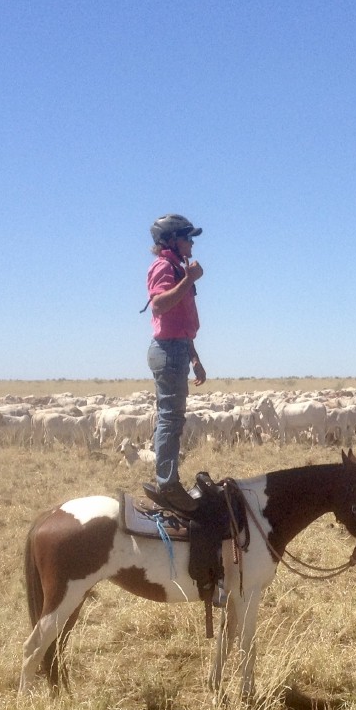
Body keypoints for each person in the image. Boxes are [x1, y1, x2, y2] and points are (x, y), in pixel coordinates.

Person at [142, 214, 207, 513]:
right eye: (187, 237)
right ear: (171, 240)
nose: (192, 242)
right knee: (170, 417)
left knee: (172, 416)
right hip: (168, 350)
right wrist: (188, 280)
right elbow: (159, 304)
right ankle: (167, 485)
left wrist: (194, 357)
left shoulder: (176, 268)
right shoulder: (164, 267)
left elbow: (178, 321)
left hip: (177, 348)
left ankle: (167, 482)